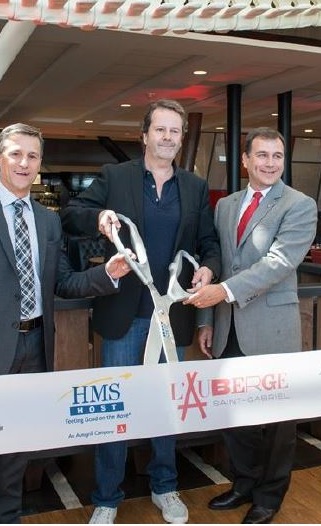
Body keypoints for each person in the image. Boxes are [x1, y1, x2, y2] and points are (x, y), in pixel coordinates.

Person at [0, 123, 134, 524]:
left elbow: (59, 282)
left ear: (40, 163)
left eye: (32, 156)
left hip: (36, 349)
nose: (24, 163)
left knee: (16, 453)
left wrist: (107, 275)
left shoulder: (48, 221)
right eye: (15, 154)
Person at [60, 99, 221, 525]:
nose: (168, 137)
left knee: (165, 407)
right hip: (123, 317)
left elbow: (210, 243)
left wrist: (208, 267)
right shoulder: (116, 177)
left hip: (172, 315)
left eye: (175, 131)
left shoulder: (195, 187)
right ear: (145, 134)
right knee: (115, 407)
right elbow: (72, 215)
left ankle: (165, 488)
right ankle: (107, 498)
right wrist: (100, 217)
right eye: (160, 130)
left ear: (182, 138)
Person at [186, 127, 317, 524]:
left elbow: (277, 264)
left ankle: (269, 496)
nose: (270, 163)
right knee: (235, 415)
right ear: (244, 160)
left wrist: (223, 292)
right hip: (227, 329)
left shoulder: (299, 204)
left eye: (277, 156)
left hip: (272, 329)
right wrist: (207, 319)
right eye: (262, 155)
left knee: (276, 421)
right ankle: (243, 483)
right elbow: (219, 263)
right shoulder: (225, 205)